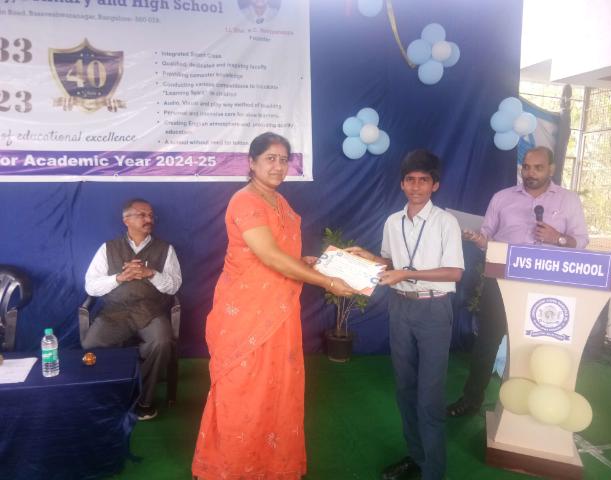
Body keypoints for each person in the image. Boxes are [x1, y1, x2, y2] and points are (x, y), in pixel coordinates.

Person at [191, 132, 355, 480]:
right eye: (270, 158)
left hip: (279, 313)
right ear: (251, 163)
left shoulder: (280, 201)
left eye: (283, 159)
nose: (278, 166)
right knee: (242, 392)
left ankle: (271, 466)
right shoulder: (244, 201)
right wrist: (327, 282)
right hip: (245, 314)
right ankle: (233, 469)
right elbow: (268, 255)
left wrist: (307, 262)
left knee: (278, 389)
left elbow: (283, 254)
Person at [346, 149, 464, 480]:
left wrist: (406, 273)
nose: (416, 186)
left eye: (423, 180)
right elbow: (389, 263)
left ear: (435, 185)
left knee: (429, 398)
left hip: (433, 308)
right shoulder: (392, 222)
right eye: (410, 180)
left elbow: (454, 272)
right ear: (402, 184)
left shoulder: (446, 222)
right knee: (405, 390)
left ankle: (433, 472)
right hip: (400, 307)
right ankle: (417, 457)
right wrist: (368, 257)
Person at [446, 146, 589, 417]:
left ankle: (532, 403)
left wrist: (558, 238)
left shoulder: (568, 200)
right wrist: (478, 239)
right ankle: (471, 399)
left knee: (538, 344)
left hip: (547, 286)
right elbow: (487, 234)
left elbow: (581, 241)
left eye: (538, 168)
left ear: (551, 169)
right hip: (502, 282)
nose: (530, 173)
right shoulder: (502, 198)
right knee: (487, 341)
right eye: (526, 167)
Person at [83, 198, 182, 421]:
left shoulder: (165, 249)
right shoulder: (108, 248)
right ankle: (111, 395)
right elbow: (91, 285)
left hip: (150, 311)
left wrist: (151, 274)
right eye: (142, 215)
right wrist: (120, 278)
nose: (149, 219)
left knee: (161, 342)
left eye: (151, 215)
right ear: (126, 220)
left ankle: (143, 401)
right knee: (91, 345)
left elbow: (174, 285)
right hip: (115, 311)